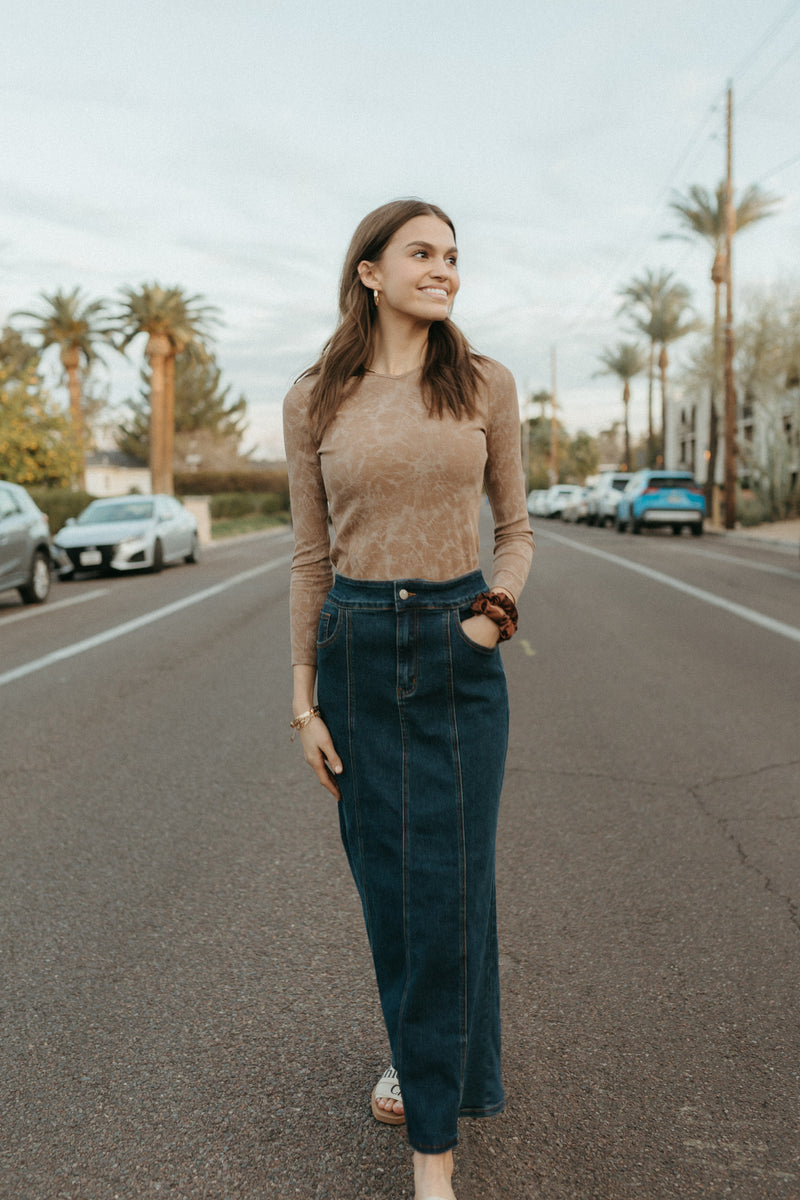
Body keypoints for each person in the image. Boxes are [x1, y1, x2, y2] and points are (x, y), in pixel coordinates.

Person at [283, 198, 533, 1200]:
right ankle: (433, 1056)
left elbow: (514, 529)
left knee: (451, 887)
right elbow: (308, 555)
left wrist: (490, 619)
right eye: (422, 254)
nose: (445, 270)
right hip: (351, 650)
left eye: (453, 257)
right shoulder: (314, 398)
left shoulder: (482, 384)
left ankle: (432, 1155)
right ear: (369, 273)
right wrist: (300, 701)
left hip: (456, 648)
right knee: (394, 894)